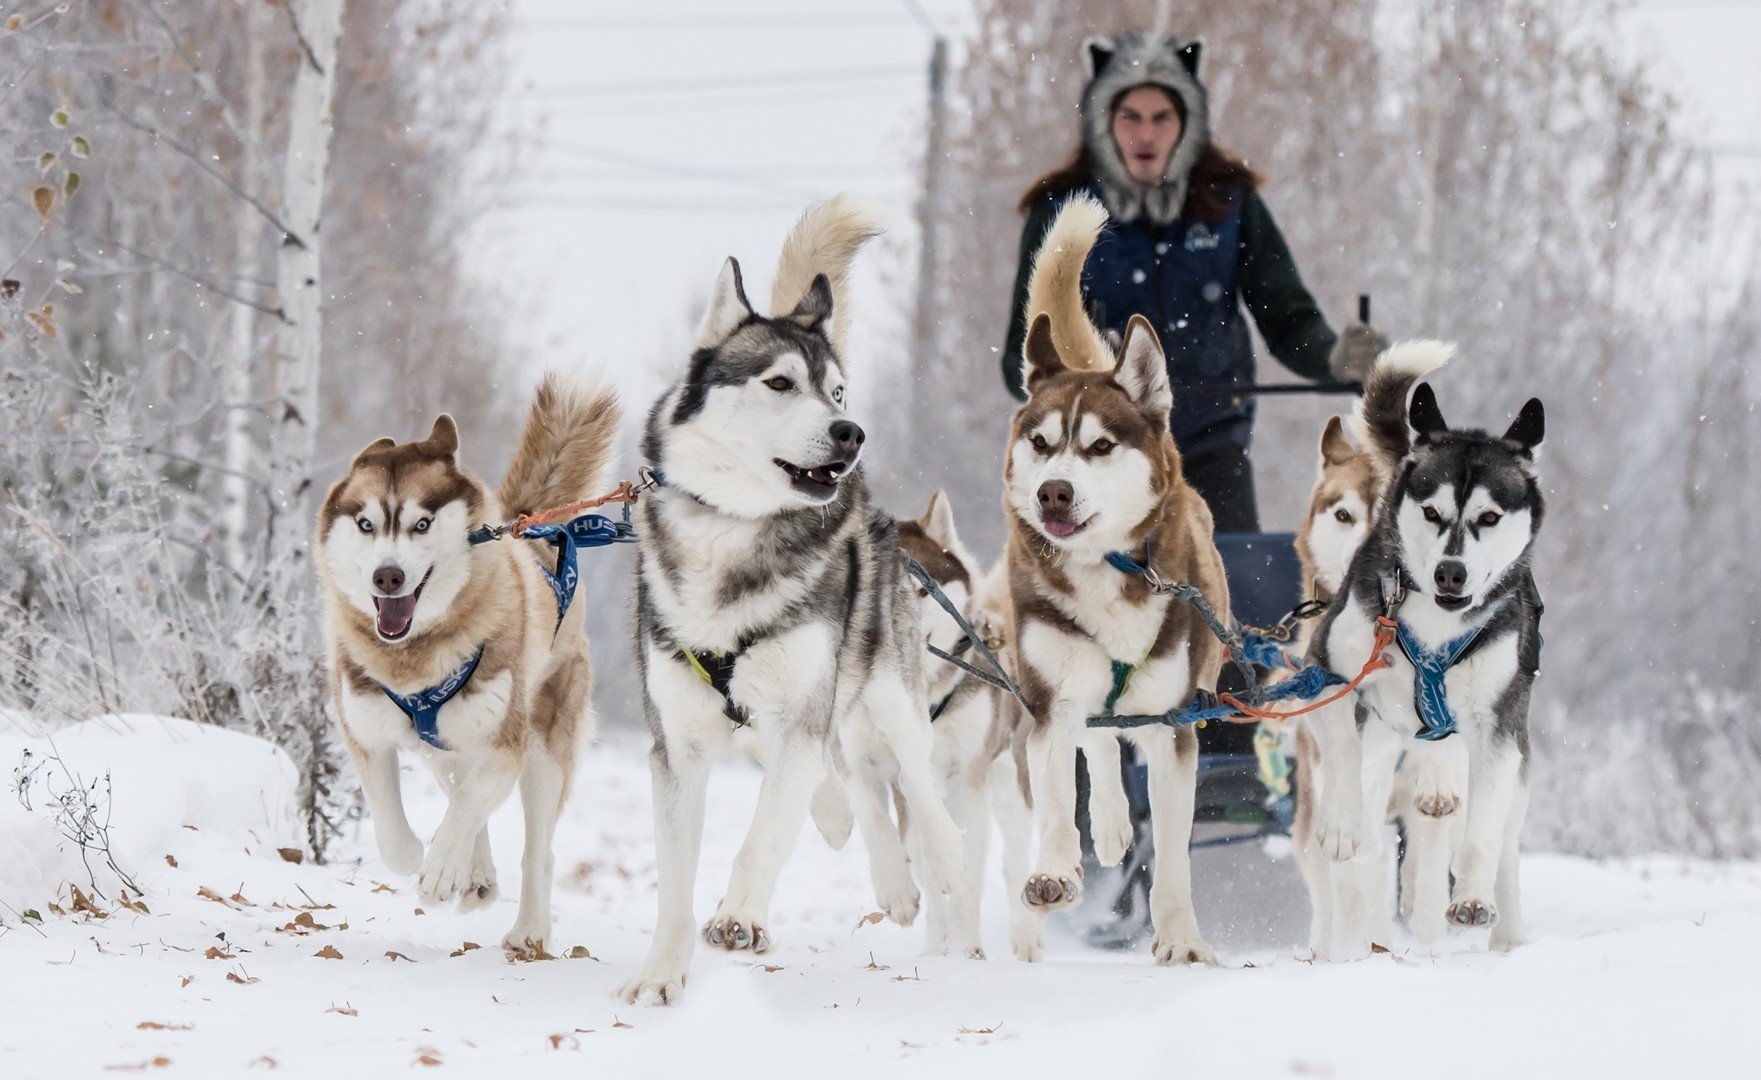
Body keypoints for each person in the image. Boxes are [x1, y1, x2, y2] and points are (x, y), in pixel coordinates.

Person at [1003, 31, 1387, 533]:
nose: (1147, 135)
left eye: (1162, 117)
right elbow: (1019, 360)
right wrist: (1083, 362)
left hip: (1214, 447)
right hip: (1096, 461)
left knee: (1236, 592)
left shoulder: (1232, 205)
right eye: (1130, 117)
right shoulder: (1059, 213)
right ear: (1104, 124)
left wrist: (1337, 358)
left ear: (1188, 123)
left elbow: (1289, 320)